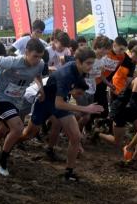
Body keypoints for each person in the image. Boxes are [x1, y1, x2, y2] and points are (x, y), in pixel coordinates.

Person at [29, 48, 104, 181]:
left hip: (59, 100)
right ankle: (6, 149)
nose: (91, 66)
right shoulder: (66, 75)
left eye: (92, 63)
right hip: (44, 101)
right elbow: (59, 104)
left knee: (75, 137)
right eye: (88, 63)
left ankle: (68, 172)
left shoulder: (77, 66)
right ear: (78, 62)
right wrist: (85, 108)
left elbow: (66, 58)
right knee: (28, 134)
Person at [0, 38, 46, 175]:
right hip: (3, 98)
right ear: (26, 52)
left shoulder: (40, 64)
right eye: (35, 56)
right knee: (18, 127)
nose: (37, 60)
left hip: (17, 101)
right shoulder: (13, 61)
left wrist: (41, 87)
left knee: (0, 132)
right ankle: (2, 160)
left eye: (40, 57)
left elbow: (37, 74)